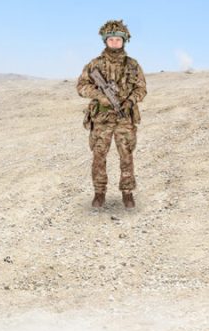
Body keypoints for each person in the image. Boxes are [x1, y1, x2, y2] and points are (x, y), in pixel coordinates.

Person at [77, 19, 147, 209]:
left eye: (118, 40)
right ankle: (99, 193)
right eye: (111, 40)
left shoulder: (132, 65)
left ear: (124, 41)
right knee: (99, 156)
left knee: (126, 156)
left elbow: (141, 89)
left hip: (124, 118)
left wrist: (130, 101)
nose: (115, 43)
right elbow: (81, 86)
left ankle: (127, 193)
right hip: (101, 119)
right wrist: (101, 96)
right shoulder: (95, 64)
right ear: (105, 41)